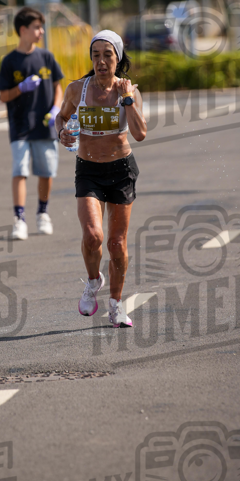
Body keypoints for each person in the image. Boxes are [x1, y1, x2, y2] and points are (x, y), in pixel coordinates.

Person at [55, 29, 146, 327]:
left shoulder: (128, 91)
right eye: (96, 55)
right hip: (89, 169)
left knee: (116, 243)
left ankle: (117, 305)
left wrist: (127, 98)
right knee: (92, 236)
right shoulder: (77, 89)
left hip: (121, 170)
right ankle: (94, 281)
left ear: (118, 58)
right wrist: (62, 132)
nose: (101, 61)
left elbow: (140, 133)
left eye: (108, 55)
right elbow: (60, 117)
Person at [0, 7, 63, 240]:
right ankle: (19, 219)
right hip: (20, 126)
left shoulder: (46, 57)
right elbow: (2, 95)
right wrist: (20, 88)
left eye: (41, 27)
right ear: (23, 30)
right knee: (20, 171)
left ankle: (43, 213)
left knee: (46, 172)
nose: (41, 31)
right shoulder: (10, 61)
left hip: (45, 127)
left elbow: (58, 86)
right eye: (36, 27)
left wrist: (56, 109)